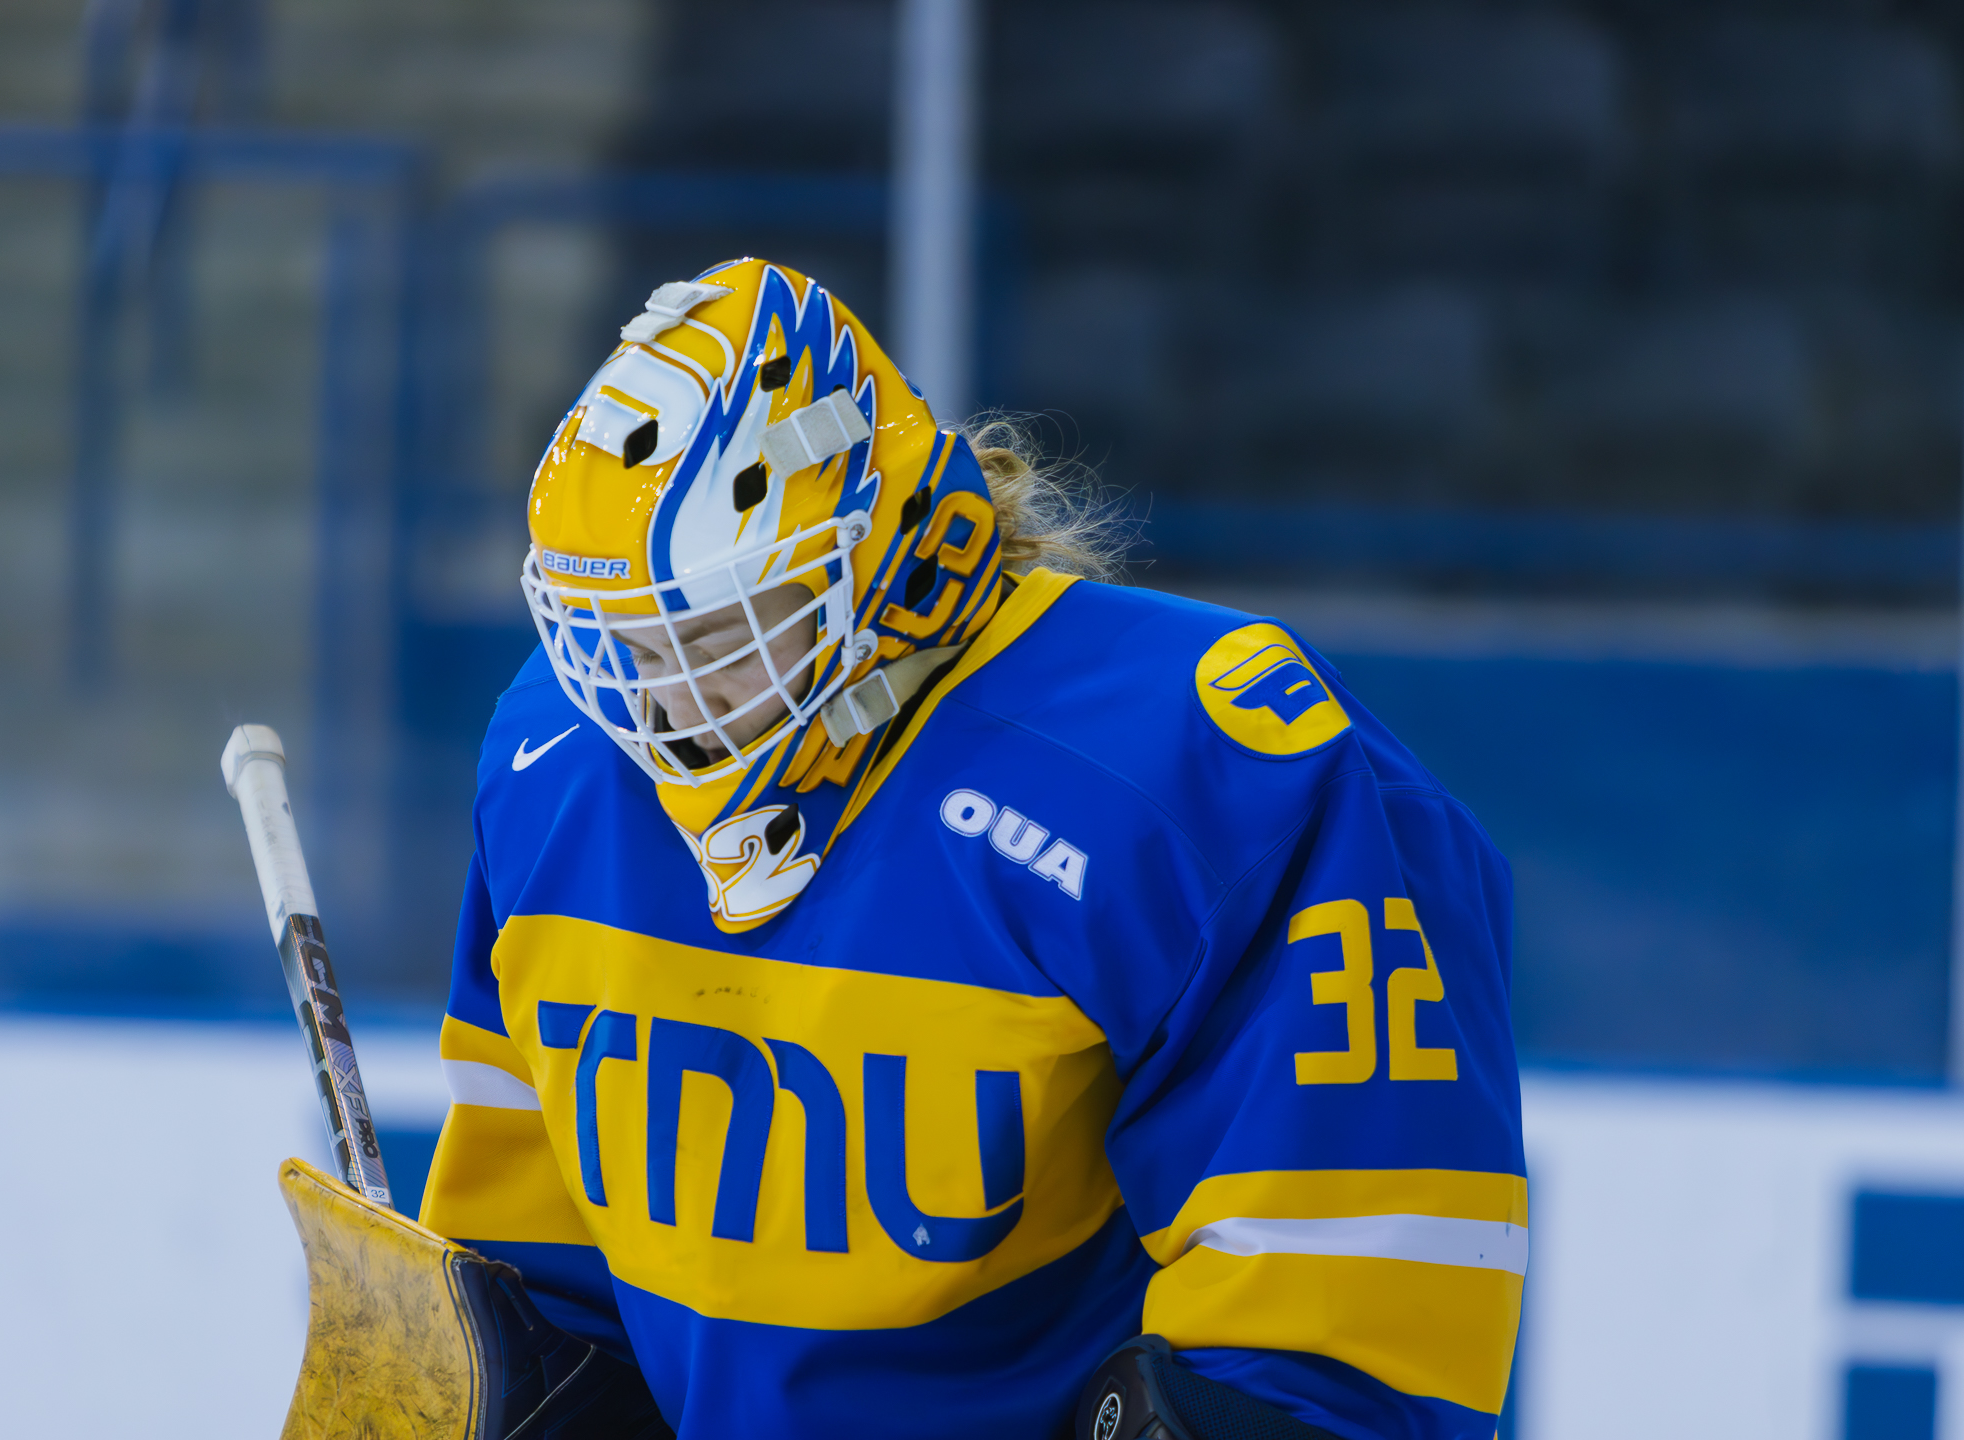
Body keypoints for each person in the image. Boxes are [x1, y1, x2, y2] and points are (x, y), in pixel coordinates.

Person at [418, 257, 1525, 1440]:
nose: (664, 708)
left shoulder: (1192, 765)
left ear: (886, 563)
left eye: (719, 629)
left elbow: (1334, 1322)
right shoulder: (563, 760)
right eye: (621, 640)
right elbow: (541, 1269)